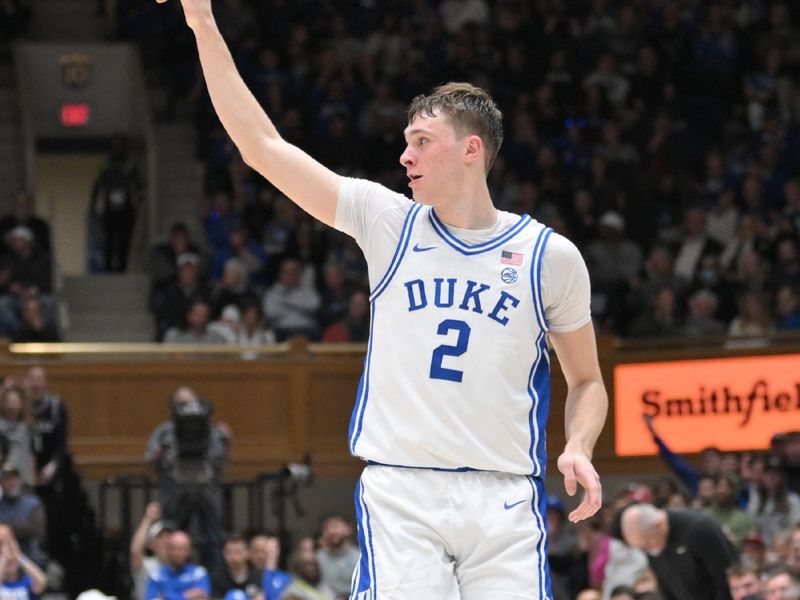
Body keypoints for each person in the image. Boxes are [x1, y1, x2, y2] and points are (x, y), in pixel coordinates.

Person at [156, 2, 607, 596]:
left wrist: (578, 444)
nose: (405, 156)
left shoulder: (551, 257)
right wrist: (202, 22)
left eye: (422, 141)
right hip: (404, 491)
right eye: (405, 141)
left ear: (471, 150)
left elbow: (588, 382)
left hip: (505, 495)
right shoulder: (387, 222)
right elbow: (261, 147)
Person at [144, 386, 230, 572]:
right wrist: (160, 451)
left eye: (190, 404)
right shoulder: (165, 431)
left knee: (212, 538)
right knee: (173, 536)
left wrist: (225, 443)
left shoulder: (210, 430)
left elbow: (222, 465)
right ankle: (169, 577)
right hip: (175, 491)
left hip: (206, 489)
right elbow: (149, 463)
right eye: (181, 404)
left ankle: (212, 579)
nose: (187, 410)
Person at [617, 502, 738, 600]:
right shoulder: (652, 543)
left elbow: (725, 579)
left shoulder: (700, 528)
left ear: (658, 525)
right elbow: (665, 585)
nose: (647, 551)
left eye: (646, 544)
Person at [145, 529, 211, 600]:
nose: (178, 553)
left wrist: (164, 596)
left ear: (189, 550)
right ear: (168, 549)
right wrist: (186, 596)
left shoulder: (199, 574)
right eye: (174, 548)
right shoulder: (156, 576)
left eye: (182, 549)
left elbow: (201, 597)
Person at [129, 501, 175, 600]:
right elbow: (135, 551)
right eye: (161, 537)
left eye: (169, 536)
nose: (167, 540)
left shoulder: (182, 569)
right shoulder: (146, 566)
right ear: (151, 545)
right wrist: (148, 518)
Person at [315, 515, 358, 599]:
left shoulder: (359, 558)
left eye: (335, 526)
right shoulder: (317, 558)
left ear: (348, 529)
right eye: (327, 528)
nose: (332, 531)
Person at [0, 526, 47, 600]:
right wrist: (3, 558)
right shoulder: (2, 584)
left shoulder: (26, 582)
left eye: (12, 562)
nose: (10, 564)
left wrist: (18, 556)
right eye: (7, 563)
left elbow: (41, 581)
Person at [211, 533, 263, 599]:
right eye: (228, 552)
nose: (232, 557)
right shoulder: (217, 577)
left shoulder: (258, 576)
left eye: (237, 552)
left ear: (247, 553)